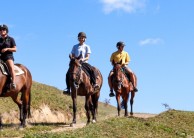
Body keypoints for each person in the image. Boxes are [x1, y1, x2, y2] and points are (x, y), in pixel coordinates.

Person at [0, 24, 17, 90]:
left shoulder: (11, 39)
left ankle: (13, 83)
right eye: (0, 30)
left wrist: (7, 49)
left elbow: (15, 49)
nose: (1, 31)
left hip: (8, 57)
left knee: (11, 67)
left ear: (6, 31)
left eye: (3, 29)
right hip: (1, 57)